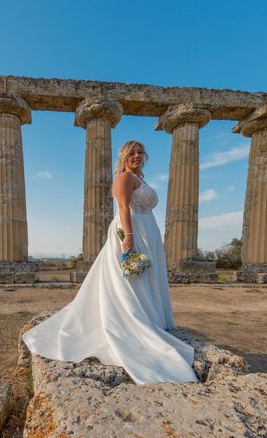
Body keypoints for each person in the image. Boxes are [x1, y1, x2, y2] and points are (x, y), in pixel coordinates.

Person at [21, 140, 198, 385]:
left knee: (145, 276)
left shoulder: (141, 179)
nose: (137, 156)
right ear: (124, 157)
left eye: (140, 152)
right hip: (132, 230)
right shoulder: (124, 178)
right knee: (129, 279)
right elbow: (124, 207)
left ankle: (150, 318)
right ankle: (133, 322)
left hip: (147, 232)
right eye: (132, 153)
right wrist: (130, 238)